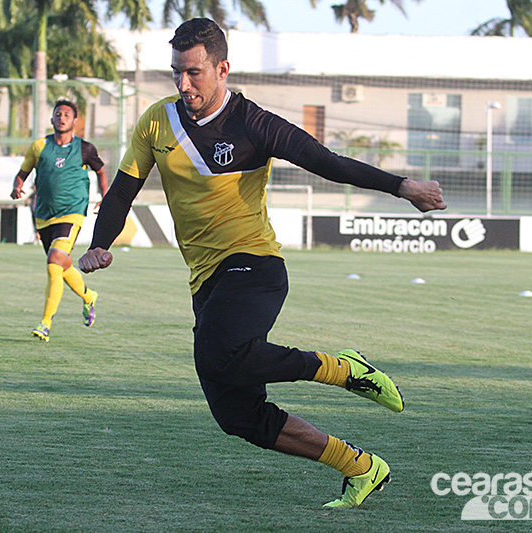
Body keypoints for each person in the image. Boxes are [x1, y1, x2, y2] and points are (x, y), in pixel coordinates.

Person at [78, 18, 446, 509]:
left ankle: (342, 370)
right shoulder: (155, 121)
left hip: (254, 264)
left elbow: (328, 162)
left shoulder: (255, 123)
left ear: (223, 68)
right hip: (206, 280)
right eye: (176, 74)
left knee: (218, 355)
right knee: (237, 415)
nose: (183, 85)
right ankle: (360, 466)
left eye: (194, 73)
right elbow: (124, 188)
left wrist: (402, 187)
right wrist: (100, 242)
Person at [11, 99, 108, 342]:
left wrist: (106, 198)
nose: (61, 118)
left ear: (75, 121)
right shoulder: (39, 146)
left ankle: (45, 323)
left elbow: (101, 171)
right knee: (63, 267)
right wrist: (17, 185)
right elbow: (23, 172)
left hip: (72, 213)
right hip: (43, 215)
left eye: (67, 115)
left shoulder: (84, 149)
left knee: (54, 263)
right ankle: (88, 296)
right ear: (52, 118)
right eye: (58, 114)